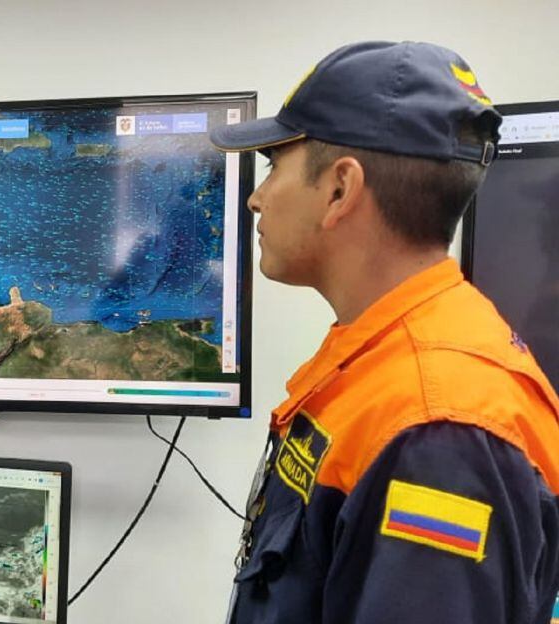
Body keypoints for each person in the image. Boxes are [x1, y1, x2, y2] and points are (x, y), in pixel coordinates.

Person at [209, 41, 559, 623]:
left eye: (274, 167)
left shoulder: (440, 433)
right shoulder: (381, 360)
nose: (255, 198)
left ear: (341, 189)